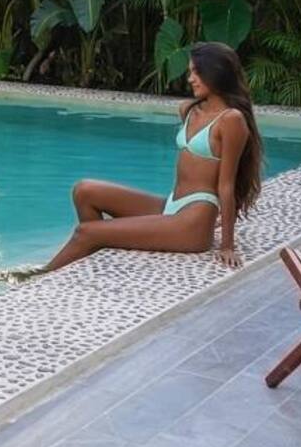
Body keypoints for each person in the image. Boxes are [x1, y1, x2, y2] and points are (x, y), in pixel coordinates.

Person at [40, 41, 264, 273]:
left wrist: (227, 245)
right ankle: (94, 262)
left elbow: (226, 185)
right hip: (171, 205)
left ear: (215, 73)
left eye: (196, 72)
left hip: (194, 220)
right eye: (190, 72)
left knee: (86, 232)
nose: (190, 79)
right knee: (84, 191)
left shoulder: (231, 120)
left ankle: (38, 277)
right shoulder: (189, 109)